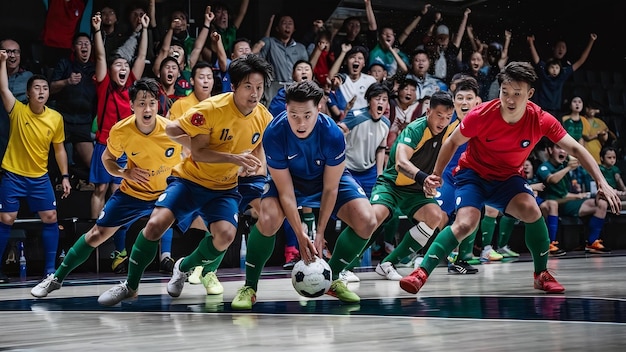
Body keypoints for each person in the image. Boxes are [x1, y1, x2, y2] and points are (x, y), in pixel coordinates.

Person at [399, 61, 621, 296]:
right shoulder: (482, 114)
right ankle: (421, 273)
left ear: (530, 94)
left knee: (532, 210)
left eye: (517, 94)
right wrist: (435, 174)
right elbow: (452, 141)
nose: (511, 100)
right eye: (505, 93)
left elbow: (577, 149)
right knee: (466, 223)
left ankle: (541, 274)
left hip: (508, 179)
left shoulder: (540, 119)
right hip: (473, 175)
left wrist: (602, 182)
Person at [96, 54, 274, 306]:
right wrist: (234, 159)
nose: (255, 93)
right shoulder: (211, 109)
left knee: (225, 237)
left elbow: (259, 144)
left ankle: (184, 267)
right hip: (189, 181)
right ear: (233, 86)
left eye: (259, 87)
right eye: (248, 87)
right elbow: (188, 144)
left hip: (223, 188)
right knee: (156, 225)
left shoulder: (263, 116)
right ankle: (130, 285)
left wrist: (255, 163)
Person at [230, 80, 378, 310]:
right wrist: (300, 234)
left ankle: (333, 278)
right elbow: (287, 193)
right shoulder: (274, 134)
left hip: (325, 181)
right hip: (291, 183)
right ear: (286, 109)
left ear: (319, 109)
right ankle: (249, 286)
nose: (300, 123)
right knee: (268, 218)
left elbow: (330, 188)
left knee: (368, 220)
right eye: (293, 115)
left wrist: (319, 233)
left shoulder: (332, 134)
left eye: (307, 115)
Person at [30, 77, 183, 298]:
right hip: (133, 192)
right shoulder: (121, 130)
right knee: (96, 234)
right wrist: (124, 173)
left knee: (210, 224)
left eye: (151, 102)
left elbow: (191, 155)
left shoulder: (172, 130)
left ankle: (190, 271)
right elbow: (108, 160)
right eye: (141, 103)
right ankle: (56, 278)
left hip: (165, 194)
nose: (147, 108)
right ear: (132, 106)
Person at [350, 90, 456, 281]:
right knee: (374, 217)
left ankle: (388, 263)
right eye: (439, 115)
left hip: (416, 189)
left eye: (448, 117)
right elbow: (400, 162)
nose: (443, 121)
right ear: (429, 111)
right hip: (392, 184)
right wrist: (424, 178)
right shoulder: (415, 129)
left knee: (435, 216)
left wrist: (432, 178)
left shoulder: (450, 129)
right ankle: (345, 266)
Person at [0, 50, 72, 283]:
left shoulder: (55, 118)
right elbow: (3, 89)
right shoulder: (17, 111)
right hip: (13, 175)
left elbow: (59, 149)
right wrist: (2, 62)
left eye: (45, 88)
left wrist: (64, 176)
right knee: (7, 218)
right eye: (37, 88)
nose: (42, 92)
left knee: (51, 216)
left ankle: (50, 271)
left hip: (39, 177)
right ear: (28, 93)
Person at [90, 11, 150, 273]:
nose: (123, 68)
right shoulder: (103, 85)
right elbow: (101, 56)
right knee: (100, 190)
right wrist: (96, 31)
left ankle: (118, 246)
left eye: (125, 66)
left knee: (118, 192)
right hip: (104, 144)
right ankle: (92, 238)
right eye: (118, 66)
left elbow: (139, 57)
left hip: (128, 149)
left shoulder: (132, 89)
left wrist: (145, 30)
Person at [536, 142, 611, 254]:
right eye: (558, 148)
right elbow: (552, 179)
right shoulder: (544, 167)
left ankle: (592, 242)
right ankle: (550, 244)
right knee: (553, 204)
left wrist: (581, 195)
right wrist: (568, 168)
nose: (562, 151)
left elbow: (565, 194)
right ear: (550, 150)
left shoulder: (563, 167)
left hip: (565, 204)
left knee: (602, 203)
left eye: (564, 149)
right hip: (548, 205)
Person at [49, 32, 97, 185]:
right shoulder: (65, 64)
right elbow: (50, 87)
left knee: (94, 167)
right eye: (80, 43)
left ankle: (77, 179)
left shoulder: (94, 69)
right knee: (58, 163)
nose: (84, 46)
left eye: (87, 43)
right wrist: (67, 81)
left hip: (83, 123)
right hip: (63, 121)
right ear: (73, 48)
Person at [527, 33, 597, 118]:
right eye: (552, 67)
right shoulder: (544, 71)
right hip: (541, 109)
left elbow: (581, 61)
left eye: (557, 68)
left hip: (555, 111)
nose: (554, 69)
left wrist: (591, 41)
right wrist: (531, 42)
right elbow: (536, 59)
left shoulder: (563, 74)